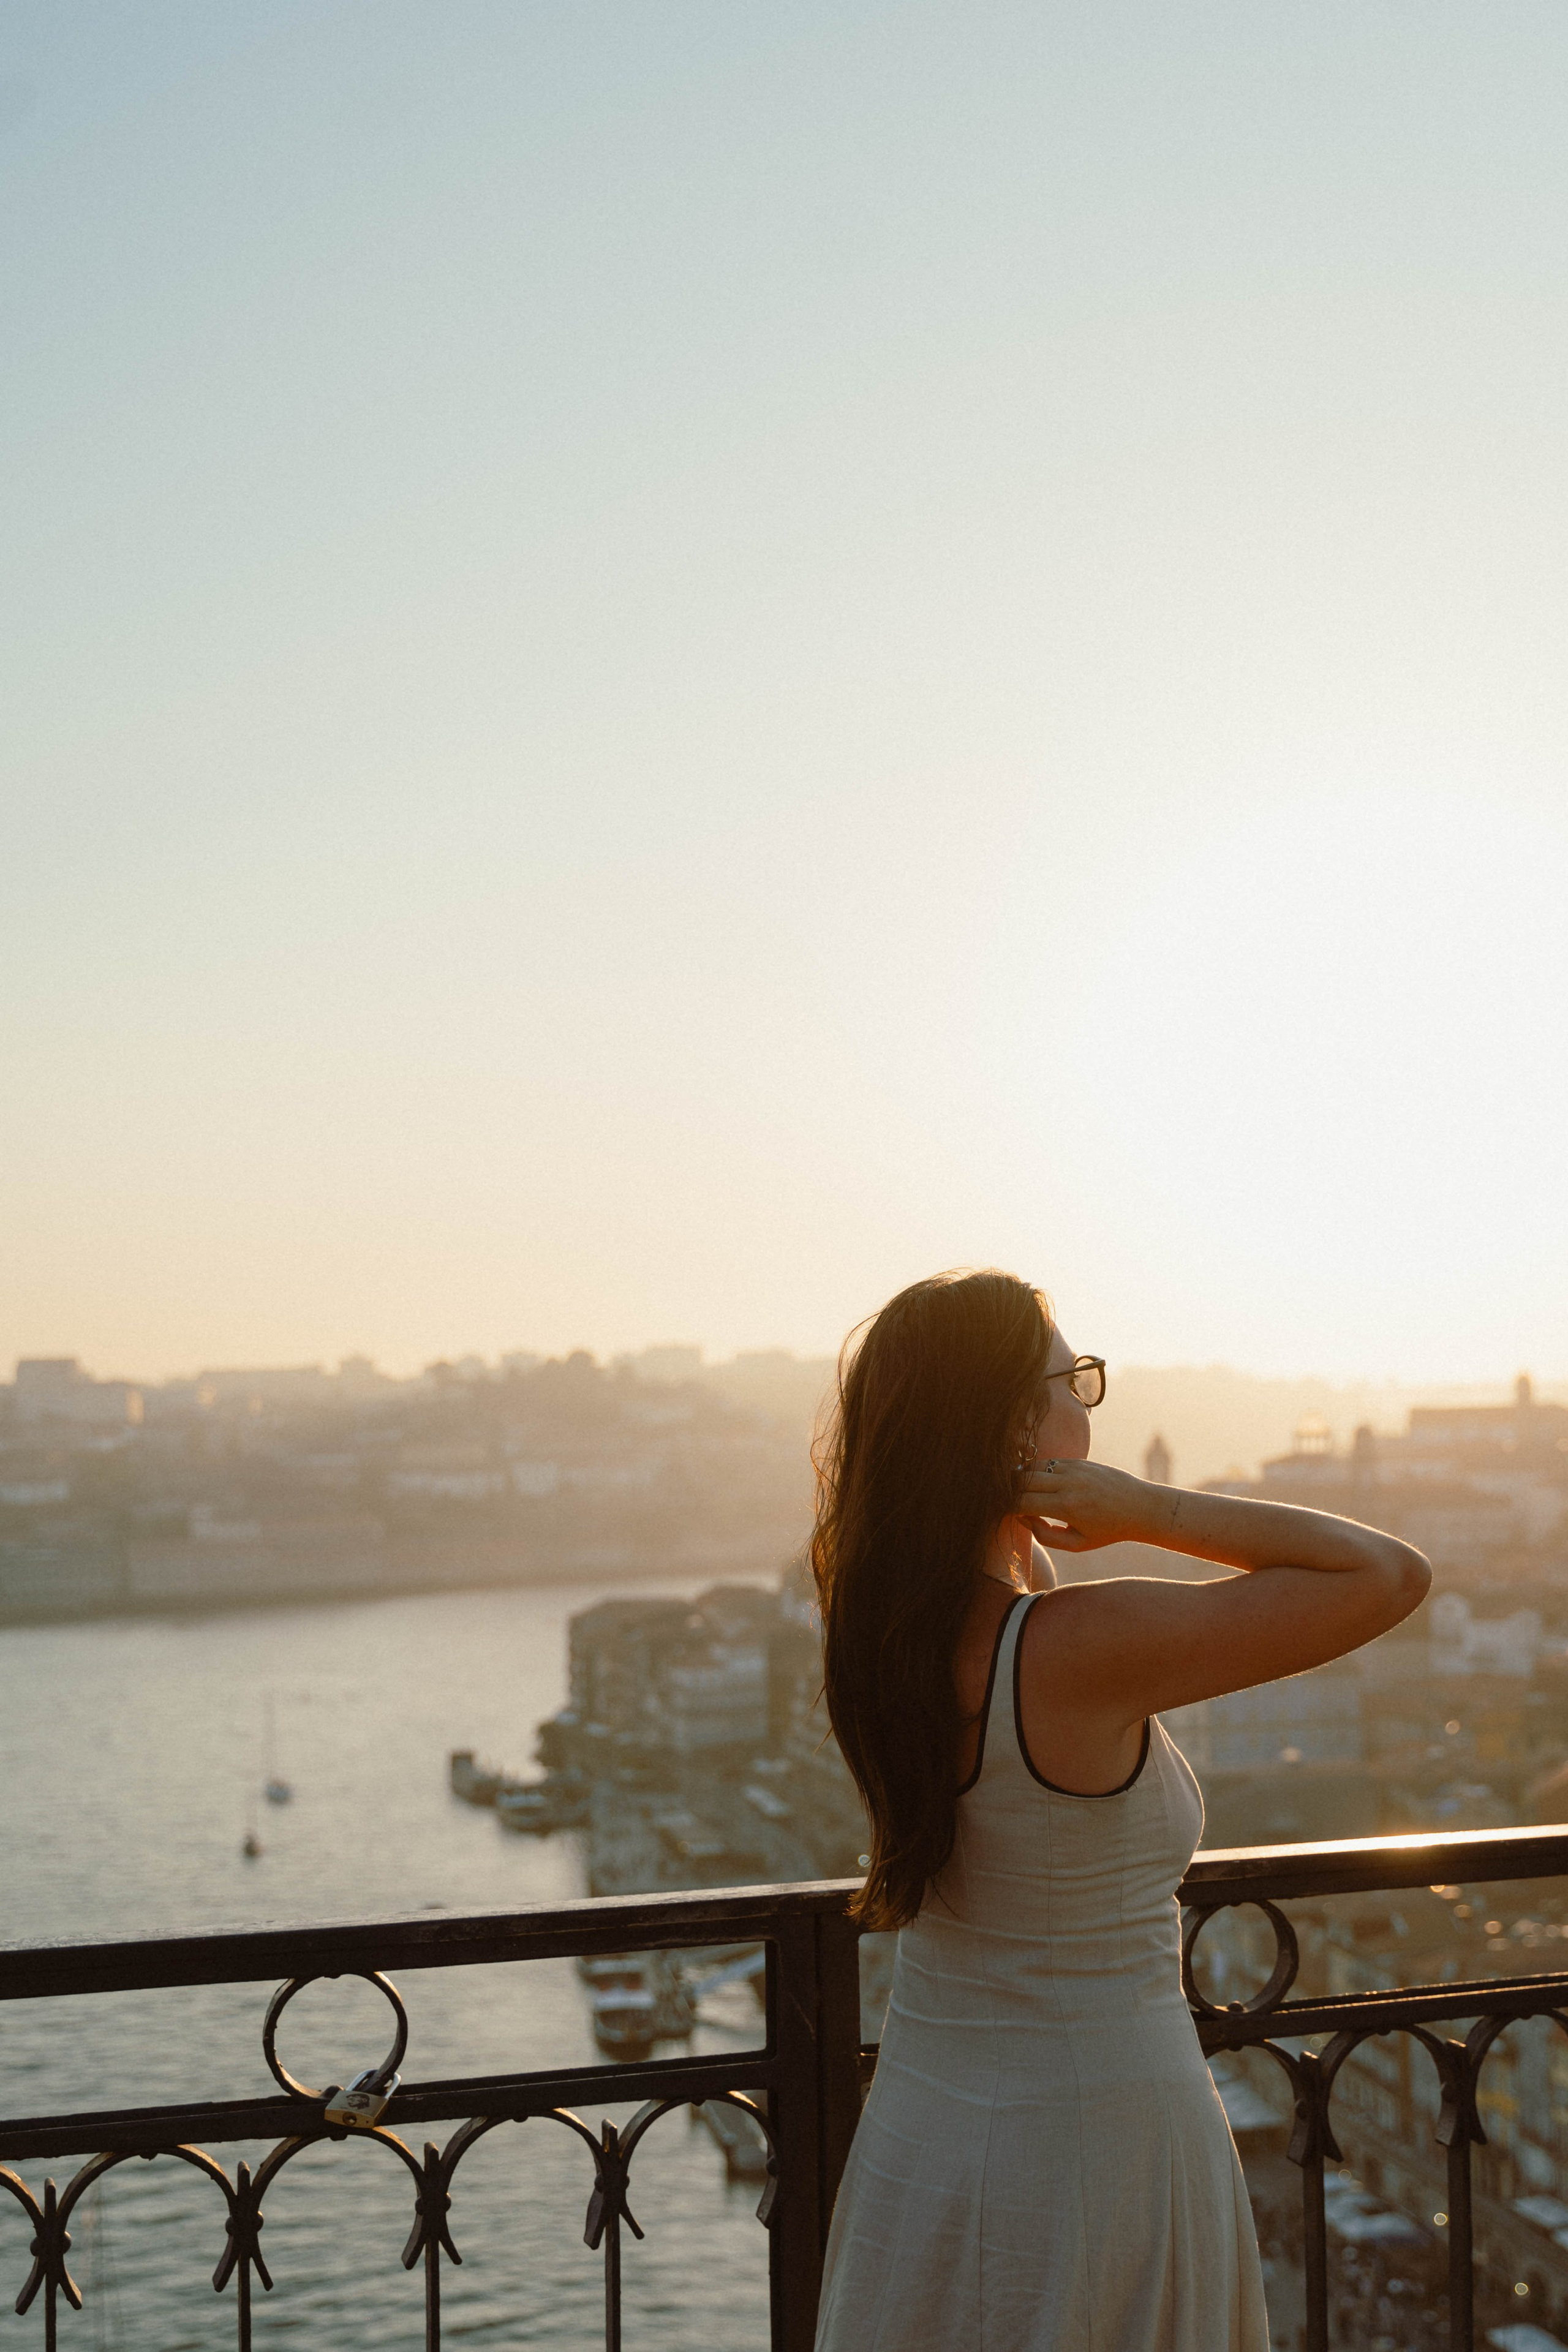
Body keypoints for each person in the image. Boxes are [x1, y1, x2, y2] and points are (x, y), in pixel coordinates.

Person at [810, 1270, 1430, 2352]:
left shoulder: (879, 1628)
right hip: (1098, 2139)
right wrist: (1150, 1509)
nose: (1090, 1403)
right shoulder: (1074, 1649)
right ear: (1016, 1422)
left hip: (925, 2130)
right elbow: (1385, 1574)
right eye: (1077, 1381)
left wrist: (1015, 1504)